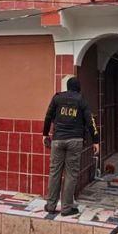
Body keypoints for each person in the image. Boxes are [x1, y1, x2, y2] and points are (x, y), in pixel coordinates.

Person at [42, 76, 99, 216]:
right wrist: (96, 140)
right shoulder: (81, 100)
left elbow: (48, 116)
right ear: (78, 88)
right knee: (71, 174)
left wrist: (45, 134)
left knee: (54, 172)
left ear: (67, 87)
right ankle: (66, 208)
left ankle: (51, 205)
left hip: (58, 140)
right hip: (75, 141)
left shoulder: (57, 98)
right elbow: (90, 121)